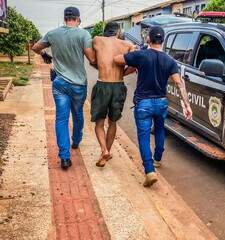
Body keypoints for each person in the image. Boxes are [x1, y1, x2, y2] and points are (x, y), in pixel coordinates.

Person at [114, 26, 192, 187]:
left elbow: (117, 60)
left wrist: (132, 53)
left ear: (148, 39)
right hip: (161, 102)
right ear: (162, 40)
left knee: (143, 136)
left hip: (143, 103)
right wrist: (187, 105)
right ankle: (157, 159)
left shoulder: (141, 55)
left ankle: (149, 170)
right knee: (160, 130)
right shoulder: (170, 61)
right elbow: (179, 83)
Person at [32, 7, 96, 170]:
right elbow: (92, 59)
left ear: (65, 18)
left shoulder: (53, 34)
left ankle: (65, 157)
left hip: (59, 83)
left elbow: (35, 48)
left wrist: (45, 55)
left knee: (61, 119)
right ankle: (76, 140)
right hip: (78, 85)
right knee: (78, 114)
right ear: (78, 19)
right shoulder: (84, 34)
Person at [91, 21, 135, 167]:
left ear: (106, 31)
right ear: (118, 32)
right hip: (118, 85)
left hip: (102, 84)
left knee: (99, 123)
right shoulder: (127, 44)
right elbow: (135, 64)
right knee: (113, 122)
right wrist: (123, 73)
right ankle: (107, 152)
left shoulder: (97, 40)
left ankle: (104, 150)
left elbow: (92, 60)